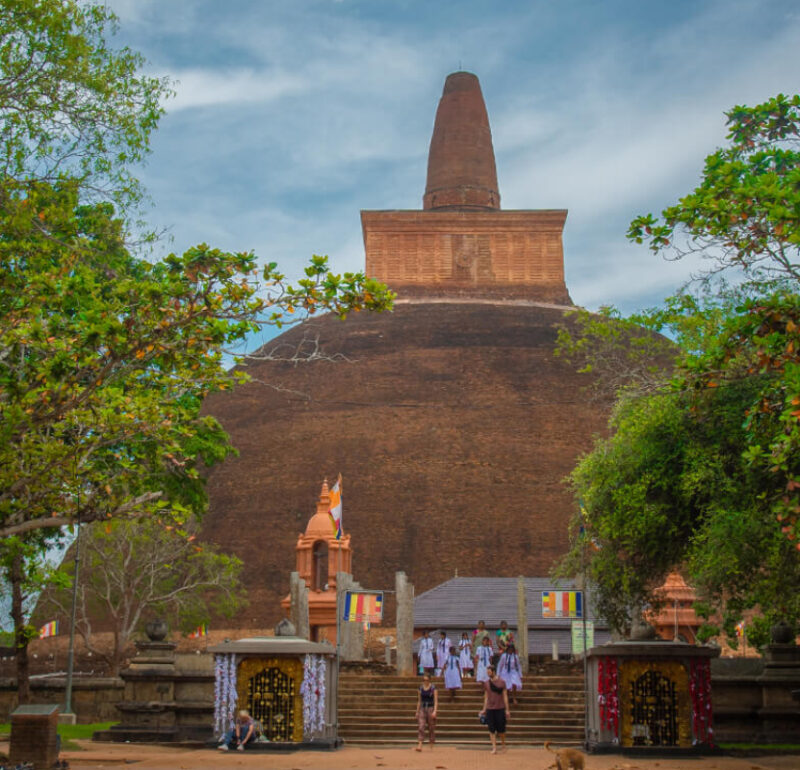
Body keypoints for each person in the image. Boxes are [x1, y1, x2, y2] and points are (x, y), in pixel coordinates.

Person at [479, 664, 510, 754]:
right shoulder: (486, 683)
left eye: (489, 672)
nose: (488, 674)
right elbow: (486, 697)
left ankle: (503, 744)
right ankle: (494, 747)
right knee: (491, 728)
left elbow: (505, 696)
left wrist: (507, 709)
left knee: (501, 728)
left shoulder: (502, 682)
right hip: (490, 708)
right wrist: (484, 709)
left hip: (500, 707)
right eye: (487, 672)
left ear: (494, 671)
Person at [415, 672, 438, 751]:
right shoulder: (420, 688)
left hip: (430, 707)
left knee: (431, 726)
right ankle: (420, 744)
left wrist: (435, 711)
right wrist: (417, 711)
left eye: (427, 680)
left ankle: (431, 742)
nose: (425, 681)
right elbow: (419, 700)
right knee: (421, 725)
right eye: (424, 680)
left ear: (429, 680)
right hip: (423, 707)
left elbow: (436, 700)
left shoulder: (433, 688)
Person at [497, 635, 523, 705]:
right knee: (506, 685)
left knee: (514, 684)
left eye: (512, 649)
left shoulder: (515, 657)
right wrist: (498, 674)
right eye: (509, 649)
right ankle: (507, 697)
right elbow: (500, 665)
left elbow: (518, 666)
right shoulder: (504, 656)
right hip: (505, 671)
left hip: (513, 671)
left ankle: (514, 697)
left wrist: (520, 675)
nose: (511, 650)